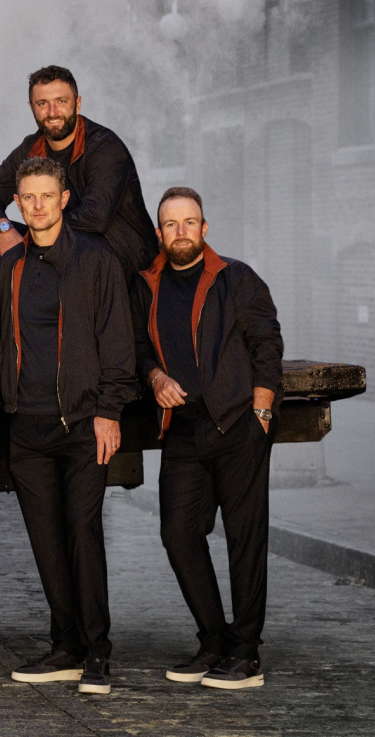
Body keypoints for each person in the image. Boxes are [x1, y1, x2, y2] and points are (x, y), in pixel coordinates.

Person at [0, 157, 137, 697]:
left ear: (64, 200)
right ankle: (65, 647)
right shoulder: (10, 265)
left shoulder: (96, 259)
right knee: (46, 539)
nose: (37, 206)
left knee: (82, 531)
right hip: (26, 427)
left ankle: (97, 651)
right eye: (27, 197)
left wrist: (109, 411)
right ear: (18, 203)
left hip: (81, 424)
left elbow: (117, 341)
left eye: (46, 196)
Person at [132, 186, 282, 691]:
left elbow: (266, 344)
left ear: (204, 227)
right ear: (160, 233)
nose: (181, 232)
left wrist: (261, 413)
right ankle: (214, 640)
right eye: (171, 224)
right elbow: (138, 347)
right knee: (178, 533)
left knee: (244, 540)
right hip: (183, 430)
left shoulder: (235, 277)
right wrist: (155, 376)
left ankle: (246, 655)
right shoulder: (146, 285)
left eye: (189, 222)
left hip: (237, 425)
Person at [0, 66, 157, 281]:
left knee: (78, 244)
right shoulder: (31, 148)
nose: (52, 112)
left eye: (61, 101)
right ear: (32, 107)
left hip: (120, 262)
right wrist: (4, 230)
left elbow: (95, 218)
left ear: (77, 103)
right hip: (61, 251)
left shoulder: (105, 146)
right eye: (42, 103)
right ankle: (8, 303)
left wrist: (33, 239)